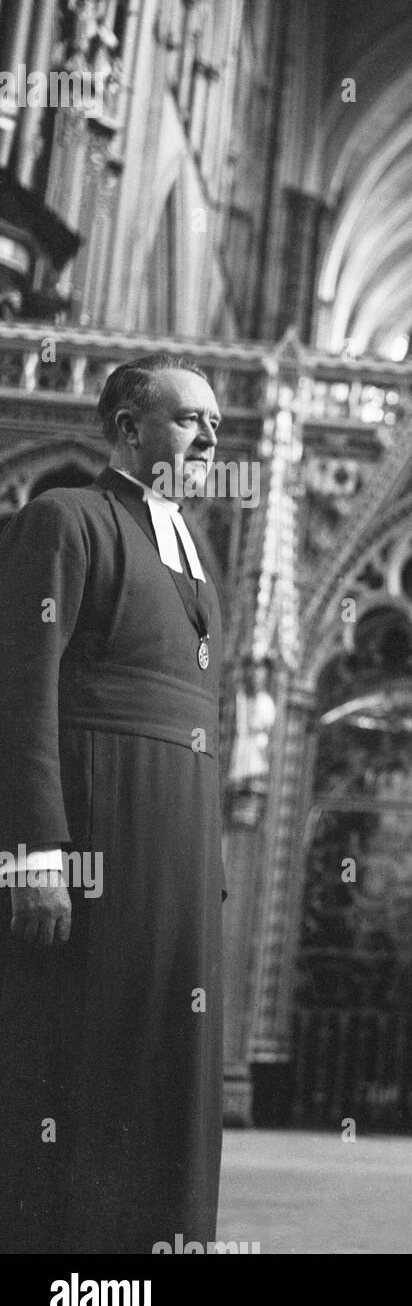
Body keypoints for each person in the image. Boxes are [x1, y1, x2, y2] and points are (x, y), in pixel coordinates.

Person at [0, 354, 227, 1252]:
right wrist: (33, 855)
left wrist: (208, 863)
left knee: (167, 1070)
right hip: (97, 829)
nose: (210, 437)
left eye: (216, 425)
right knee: (79, 1067)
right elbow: (22, 695)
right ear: (129, 427)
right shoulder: (65, 519)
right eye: (187, 419)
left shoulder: (192, 551)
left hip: (174, 846)